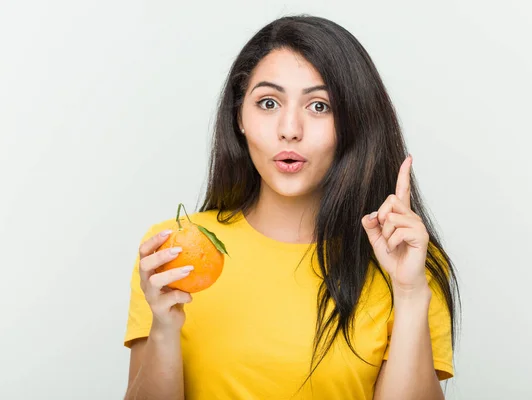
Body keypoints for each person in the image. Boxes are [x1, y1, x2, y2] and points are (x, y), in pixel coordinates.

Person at [123, 14, 460, 400]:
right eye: (268, 102)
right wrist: (164, 329)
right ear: (239, 118)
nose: (289, 129)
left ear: (353, 122)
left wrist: (410, 294)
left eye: (319, 106)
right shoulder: (173, 250)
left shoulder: (407, 262)